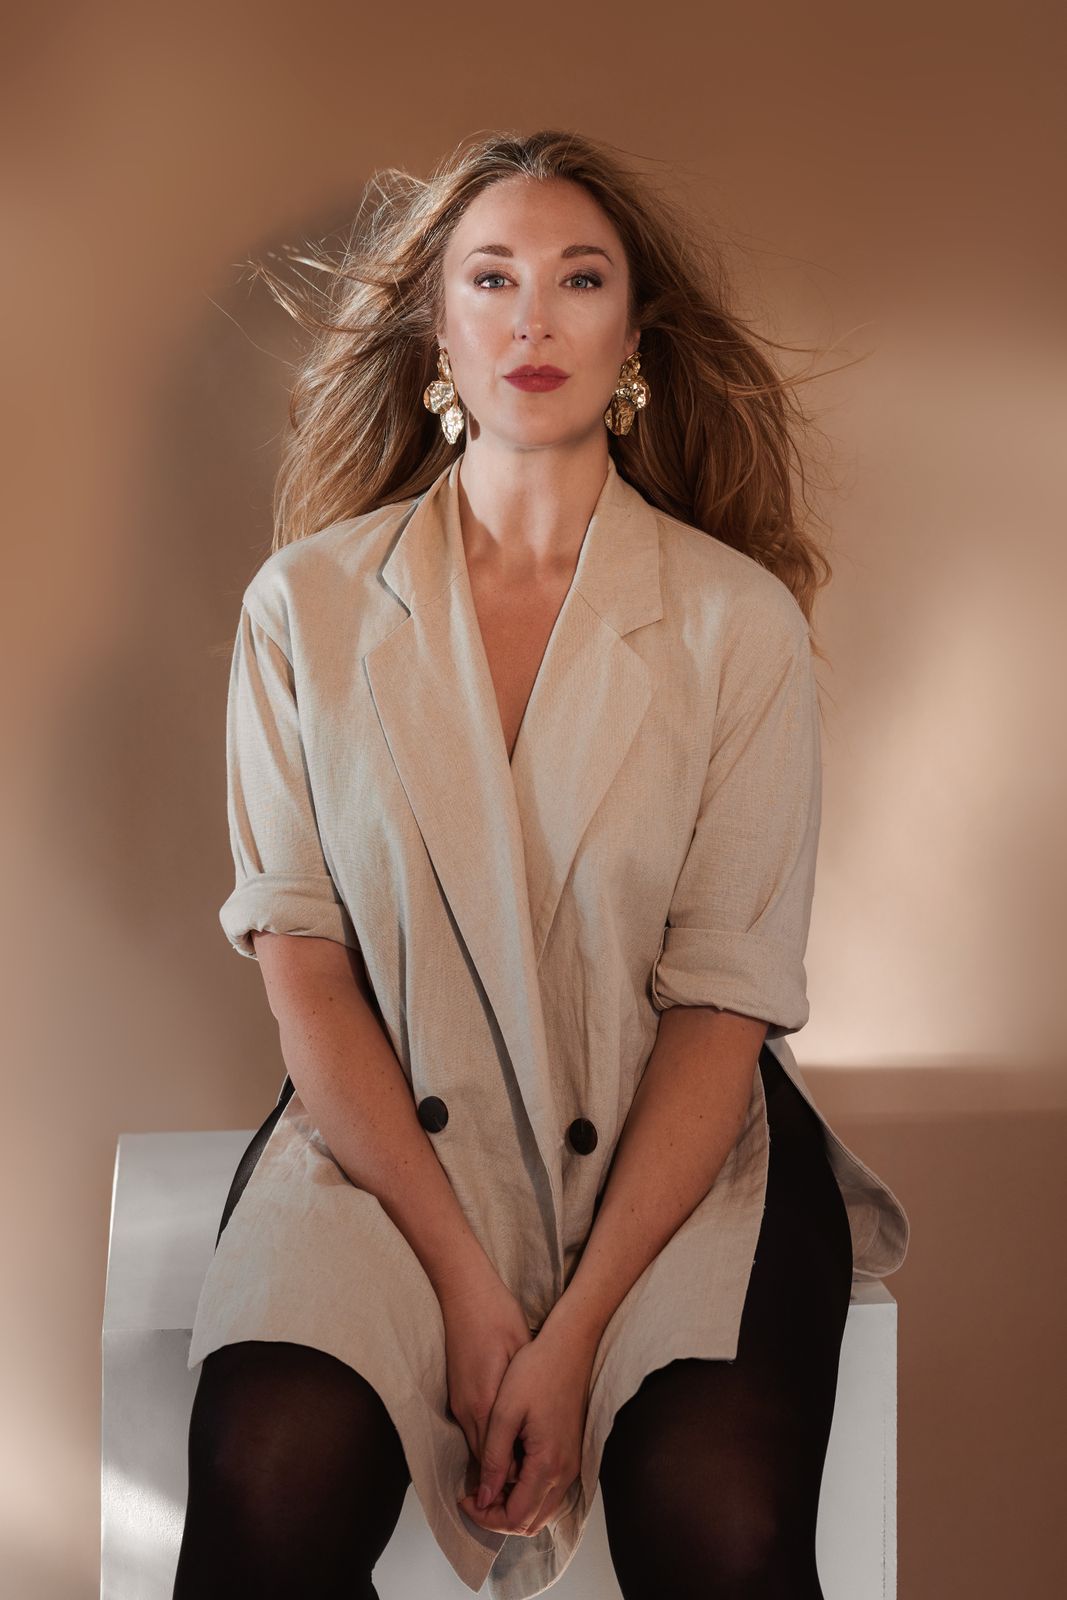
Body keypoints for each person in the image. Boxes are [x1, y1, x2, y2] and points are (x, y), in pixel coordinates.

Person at [173, 128, 910, 1600]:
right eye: (491, 277)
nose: (533, 318)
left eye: (580, 279)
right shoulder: (304, 609)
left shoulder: (736, 624)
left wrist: (568, 1337)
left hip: (680, 1157)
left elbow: (722, 1007)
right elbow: (306, 974)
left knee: (721, 1516)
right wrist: (466, 1287)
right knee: (268, 1469)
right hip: (389, 1152)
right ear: (436, 334)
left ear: (632, 339)